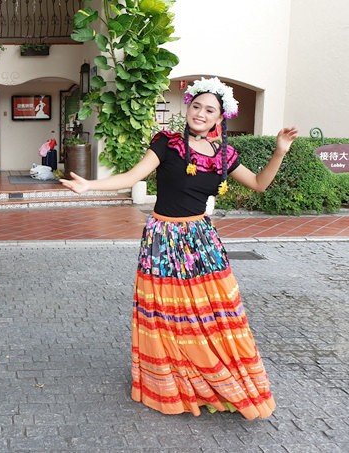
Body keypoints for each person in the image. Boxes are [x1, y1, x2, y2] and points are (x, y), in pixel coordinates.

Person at [60, 77, 298, 420]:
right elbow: (131, 177)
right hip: (162, 239)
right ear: (187, 107)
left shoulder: (225, 155)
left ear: (220, 118)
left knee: (213, 314)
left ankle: (214, 377)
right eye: (196, 106)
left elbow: (260, 184)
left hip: (202, 240)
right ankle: (173, 379)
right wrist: (90, 186)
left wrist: (279, 152)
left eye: (209, 110)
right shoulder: (166, 145)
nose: (200, 113)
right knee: (166, 315)